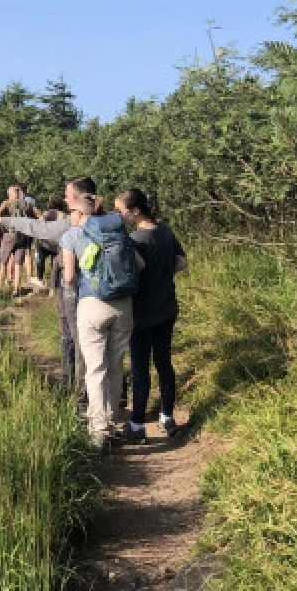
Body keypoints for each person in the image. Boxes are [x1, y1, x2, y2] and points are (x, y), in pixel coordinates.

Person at [58, 176, 144, 448]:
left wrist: (80, 288)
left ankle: (99, 430)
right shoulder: (118, 232)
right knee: (115, 364)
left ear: (79, 212)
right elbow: (140, 264)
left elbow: (69, 276)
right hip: (123, 305)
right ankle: (114, 419)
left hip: (91, 304)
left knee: (95, 368)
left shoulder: (72, 235)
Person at [0, 196, 86, 400]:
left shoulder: (70, 230)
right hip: (108, 298)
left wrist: (2, 220)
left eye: (69, 196)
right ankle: (110, 395)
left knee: (74, 338)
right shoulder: (111, 226)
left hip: (73, 291)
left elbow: (39, 228)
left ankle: (77, 391)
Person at [116, 189, 188, 441]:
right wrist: (163, 275)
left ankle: (136, 423)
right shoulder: (166, 231)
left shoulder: (134, 239)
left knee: (140, 367)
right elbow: (181, 263)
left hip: (142, 312)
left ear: (135, 211)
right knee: (164, 362)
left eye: (121, 211)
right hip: (167, 307)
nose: (119, 216)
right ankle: (167, 416)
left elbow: (137, 267)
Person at [0, 185, 37, 296]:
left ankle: (0, 288)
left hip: (9, 235)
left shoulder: (7, 203)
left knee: (3, 262)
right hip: (22, 236)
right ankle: (16, 290)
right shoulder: (28, 205)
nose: (8, 196)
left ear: (13, 194)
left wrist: (1, 227)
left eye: (9, 194)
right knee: (19, 263)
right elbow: (40, 216)